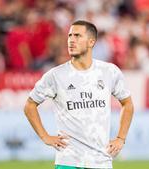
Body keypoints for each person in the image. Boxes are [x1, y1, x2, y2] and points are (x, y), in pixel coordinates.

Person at [24, 20, 134, 169]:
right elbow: (30, 105)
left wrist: (121, 138)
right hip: (68, 161)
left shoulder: (109, 71)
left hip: (101, 161)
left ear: (91, 42)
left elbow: (127, 103)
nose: (71, 40)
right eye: (70, 36)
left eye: (77, 36)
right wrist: (45, 137)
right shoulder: (56, 75)